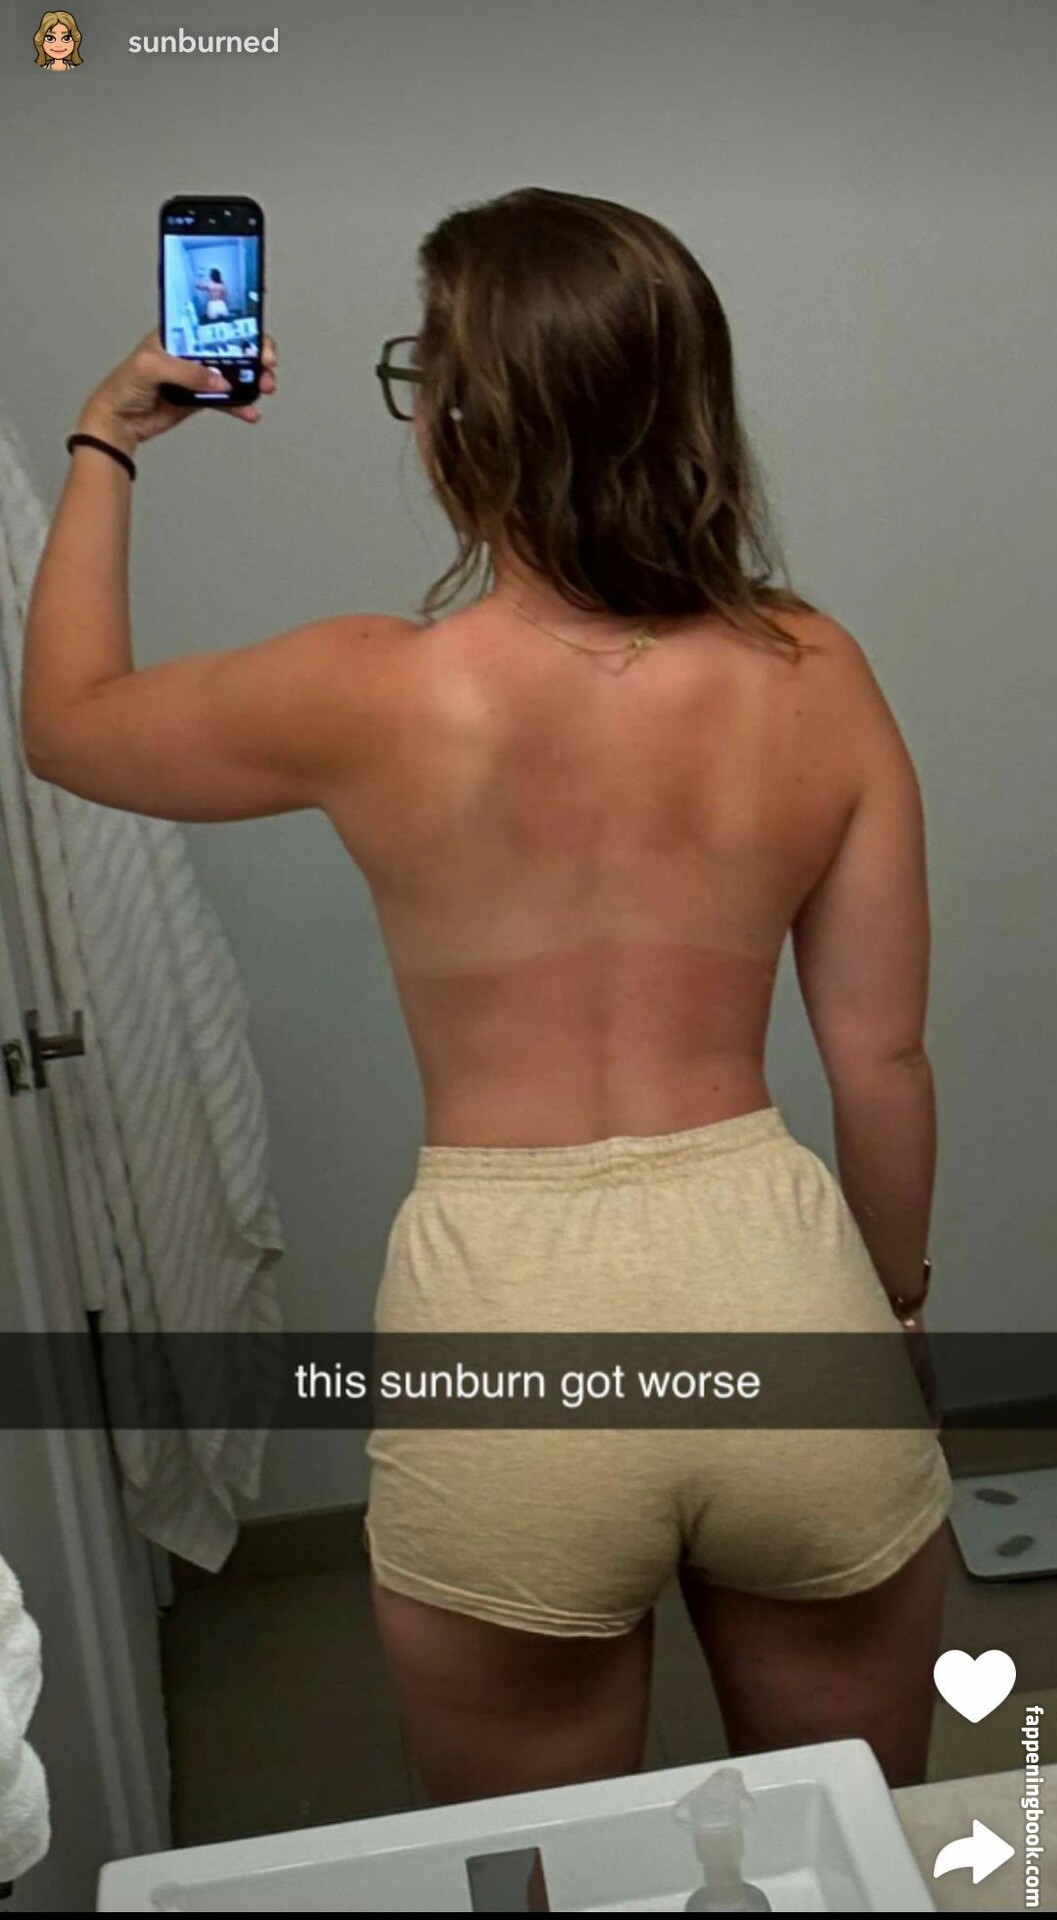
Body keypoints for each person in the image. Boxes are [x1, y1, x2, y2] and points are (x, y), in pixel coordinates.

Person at [22, 187, 952, 1808]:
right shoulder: (816, 671)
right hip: (779, 1293)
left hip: (502, 1316)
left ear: (463, 422)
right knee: (852, 1853)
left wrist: (108, 441)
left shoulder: (373, 689)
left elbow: (68, 723)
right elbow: (879, 1059)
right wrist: (891, 1312)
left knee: (535, 1870)